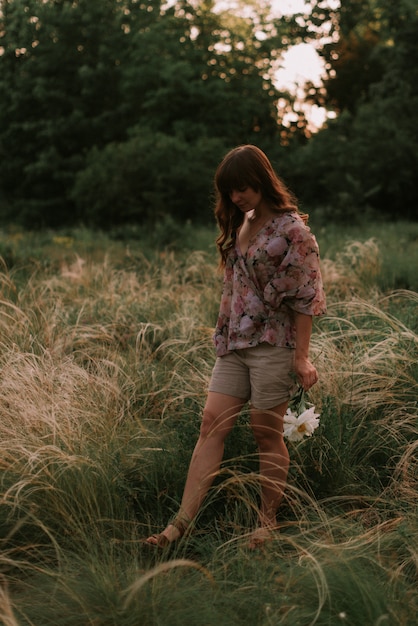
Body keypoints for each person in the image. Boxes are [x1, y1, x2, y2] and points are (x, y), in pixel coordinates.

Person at [146, 144, 326, 549]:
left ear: (261, 181)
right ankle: (176, 528)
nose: (236, 197)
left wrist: (301, 357)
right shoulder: (241, 222)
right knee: (210, 425)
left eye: (242, 188)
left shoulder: (293, 231)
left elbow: (306, 298)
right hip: (233, 343)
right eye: (229, 191)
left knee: (265, 433)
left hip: (273, 345)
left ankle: (266, 523)